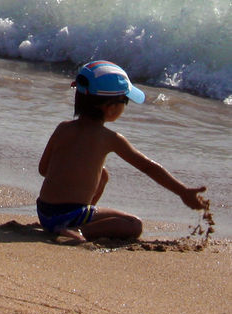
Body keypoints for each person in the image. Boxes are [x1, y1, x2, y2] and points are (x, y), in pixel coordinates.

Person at [36, 60, 207, 242]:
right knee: (133, 224)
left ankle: (77, 221)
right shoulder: (110, 138)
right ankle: (80, 231)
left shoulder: (62, 128)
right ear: (111, 108)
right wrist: (182, 191)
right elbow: (148, 167)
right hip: (69, 216)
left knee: (102, 174)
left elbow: (43, 170)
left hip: (45, 213)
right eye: (125, 102)